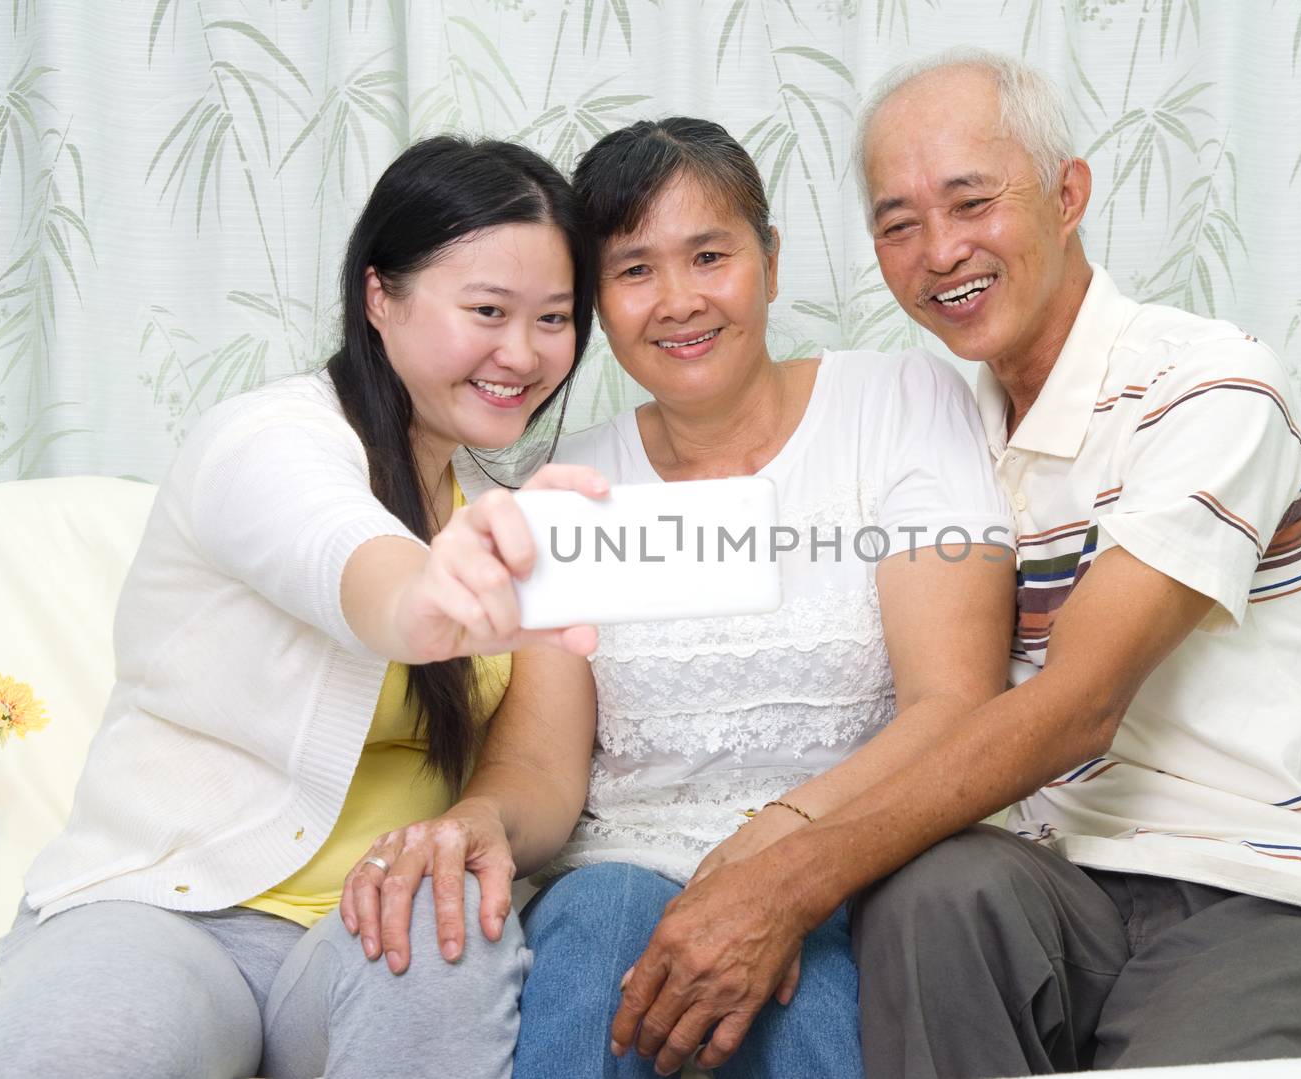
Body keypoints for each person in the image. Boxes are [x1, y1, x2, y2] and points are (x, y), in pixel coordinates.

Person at [600, 49, 1301, 1078]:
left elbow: (1078, 703)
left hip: (1264, 887)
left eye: (971, 202)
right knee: (932, 891)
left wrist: (792, 871)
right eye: (898, 224)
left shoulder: (1206, 382)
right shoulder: (932, 423)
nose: (939, 252)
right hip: (1051, 890)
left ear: (1068, 193)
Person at [343, 116, 1017, 1078]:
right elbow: (541, 755)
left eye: (710, 255)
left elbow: (953, 705)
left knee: (811, 1019)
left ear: (771, 262)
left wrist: (768, 863)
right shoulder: (569, 481)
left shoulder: (900, 404)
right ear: (594, 307)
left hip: (838, 865)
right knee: (596, 946)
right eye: (633, 271)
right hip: (618, 872)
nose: (679, 301)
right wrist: (486, 816)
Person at [0, 135, 609, 1078]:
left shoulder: (517, 521)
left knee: (448, 923)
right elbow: (343, 555)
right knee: (95, 1043)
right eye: (486, 310)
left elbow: (545, 775)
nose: (521, 353)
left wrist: (476, 822)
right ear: (378, 297)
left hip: (367, 925)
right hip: (164, 908)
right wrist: (427, 597)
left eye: (554, 318)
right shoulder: (268, 439)